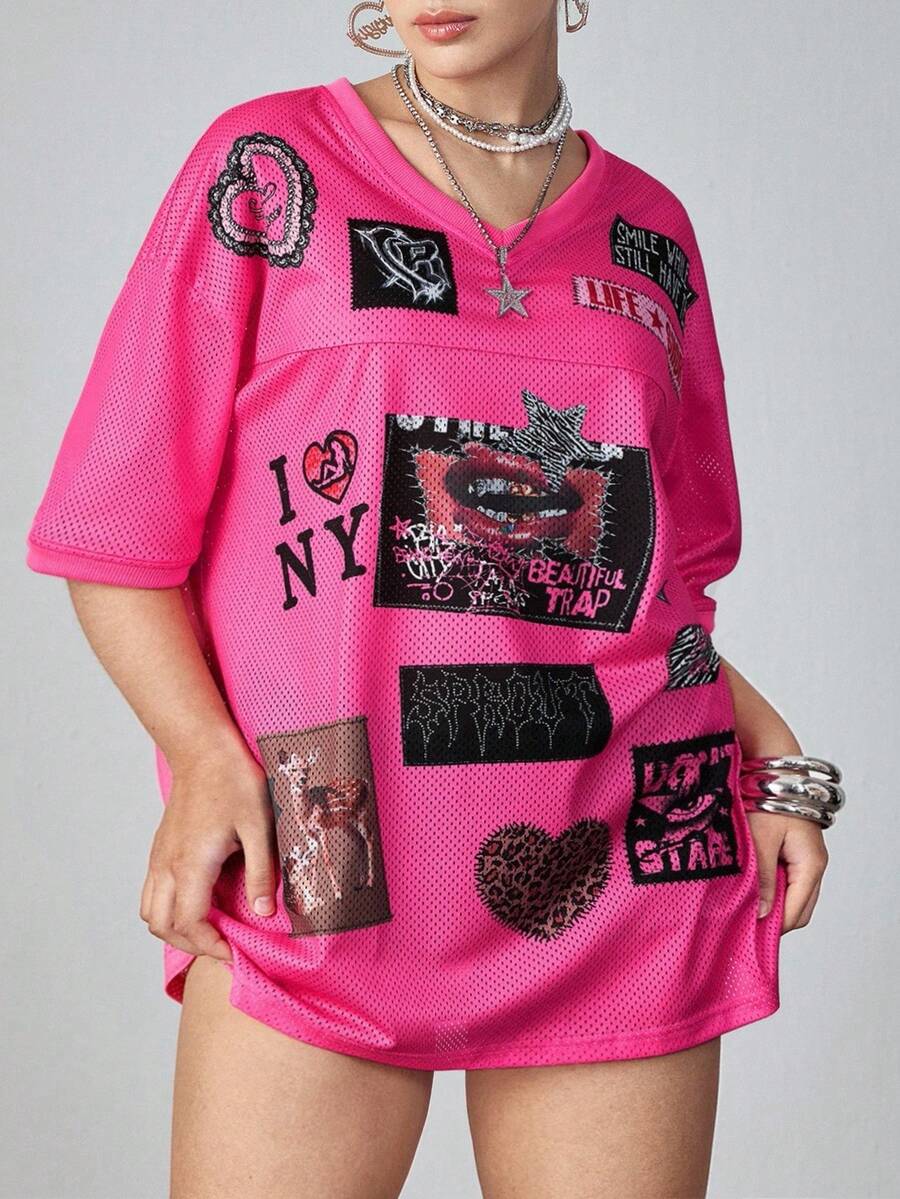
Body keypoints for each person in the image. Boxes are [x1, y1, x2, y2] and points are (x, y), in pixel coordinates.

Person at [24, 2, 846, 1195]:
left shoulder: (651, 235)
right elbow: (115, 535)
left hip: (620, 852)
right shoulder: (273, 171)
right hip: (329, 825)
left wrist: (774, 763)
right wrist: (202, 754)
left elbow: (650, 587)